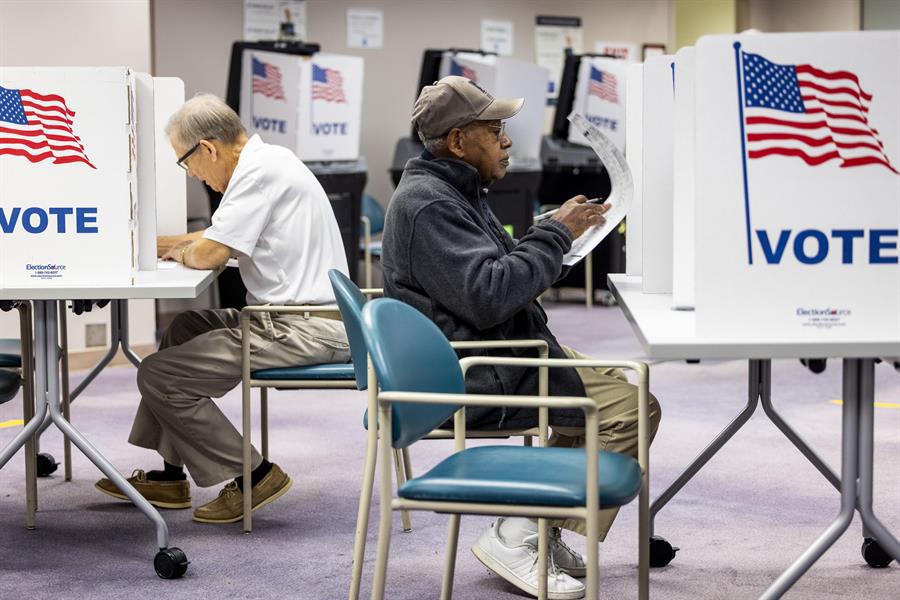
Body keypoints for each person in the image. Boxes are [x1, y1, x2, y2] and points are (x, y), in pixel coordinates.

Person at [381, 76, 662, 599]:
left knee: (621, 398)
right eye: (494, 129)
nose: (507, 140)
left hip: (499, 350)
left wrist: (550, 228)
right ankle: (519, 533)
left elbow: (487, 268)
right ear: (459, 141)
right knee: (628, 407)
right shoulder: (430, 205)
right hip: (476, 370)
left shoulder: (452, 189)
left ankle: (538, 529)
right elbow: (488, 294)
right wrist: (555, 234)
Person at [95, 94, 351, 524]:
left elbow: (209, 253)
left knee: (158, 374)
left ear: (208, 148)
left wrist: (183, 249)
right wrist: (152, 245)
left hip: (302, 328)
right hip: (291, 317)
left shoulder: (257, 173)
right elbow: (204, 240)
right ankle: (170, 476)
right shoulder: (268, 162)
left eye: (186, 163)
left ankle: (255, 475)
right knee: (186, 327)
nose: (192, 174)